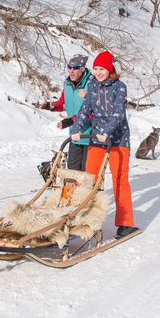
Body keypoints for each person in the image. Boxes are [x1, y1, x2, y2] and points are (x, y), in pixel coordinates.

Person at [71, 51, 138, 238]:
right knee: (91, 180)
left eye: (102, 69)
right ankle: (88, 220)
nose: (98, 72)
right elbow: (85, 110)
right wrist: (76, 129)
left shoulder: (120, 87)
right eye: (96, 69)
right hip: (97, 141)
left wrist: (105, 132)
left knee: (119, 181)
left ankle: (125, 223)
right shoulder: (92, 86)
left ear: (109, 69)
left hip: (118, 140)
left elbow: (119, 114)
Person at [40, 54, 92, 171]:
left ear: (82, 69)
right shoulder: (68, 84)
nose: (71, 71)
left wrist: (70, 121)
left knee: (87, 172)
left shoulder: (91, 84)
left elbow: (92, 111)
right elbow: (63, 103)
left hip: (90, 134)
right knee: (72, 170)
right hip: (74, 134)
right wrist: (51, 106)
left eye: (76, 68)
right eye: (69, 67)